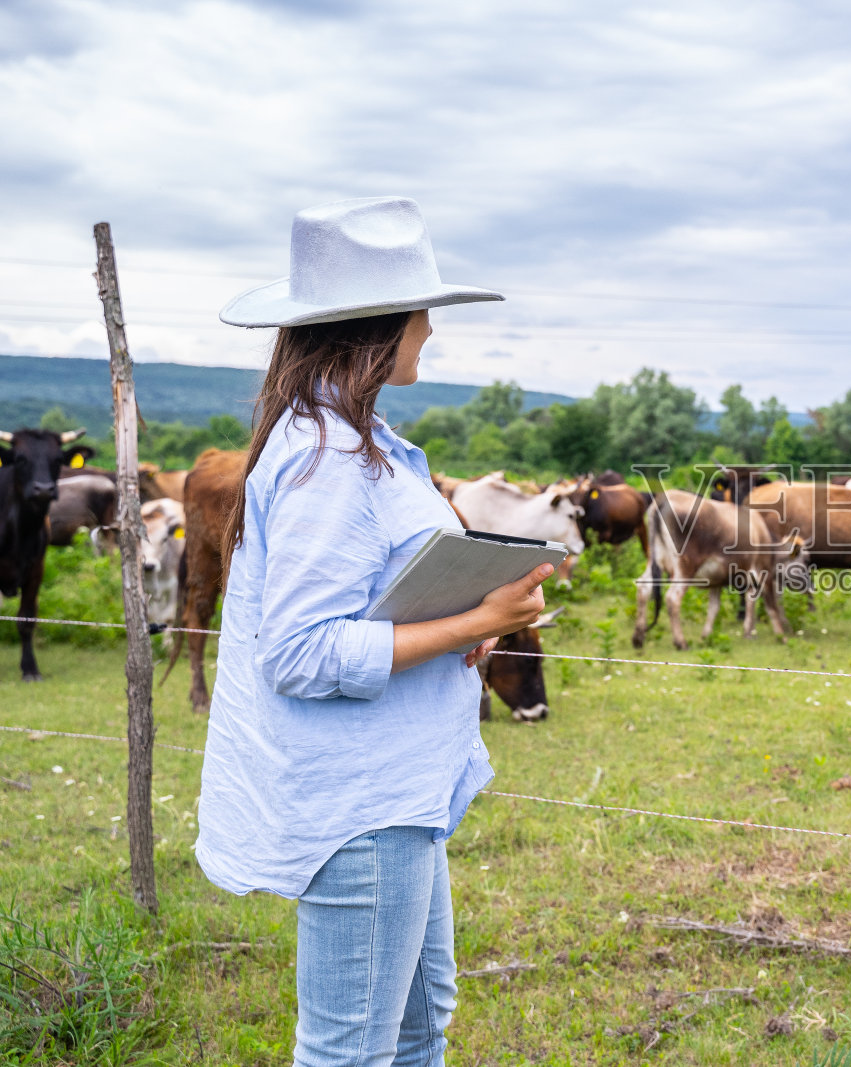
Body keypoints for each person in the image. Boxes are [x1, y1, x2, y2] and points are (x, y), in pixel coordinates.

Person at [197, 196, 551, 1066]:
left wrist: (451, 623)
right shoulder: (330, 461)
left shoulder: (359, 441)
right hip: (362, 808)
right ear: (377, 325)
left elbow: (360, 598)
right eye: (421, 309)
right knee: (354, 1049)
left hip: (398, 792)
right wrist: (481, 615)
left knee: (419, 1023)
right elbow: (301, 651)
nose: (431, 325)